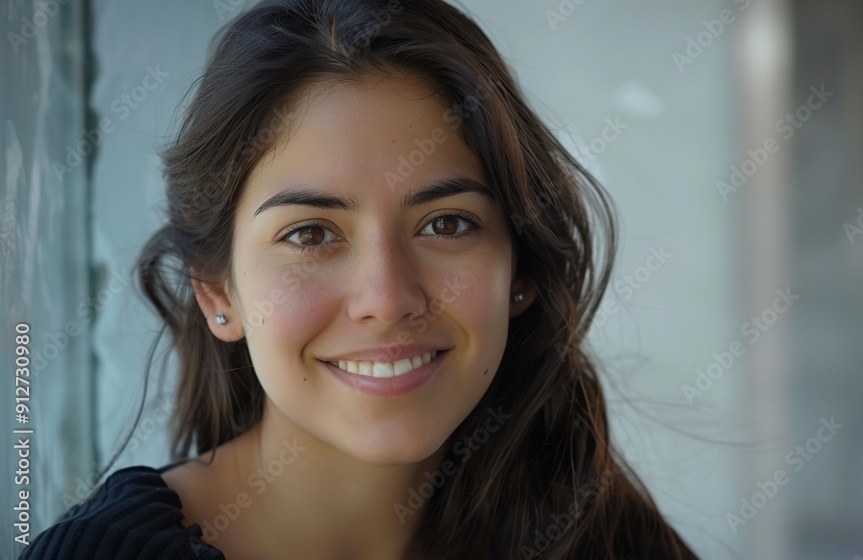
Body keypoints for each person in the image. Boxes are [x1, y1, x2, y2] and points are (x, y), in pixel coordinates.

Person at [19, 0, 699, 558]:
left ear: (519, 268)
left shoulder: (605, 538)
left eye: (447, 224)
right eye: (310, 234)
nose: (387, 298)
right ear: (217, 293)